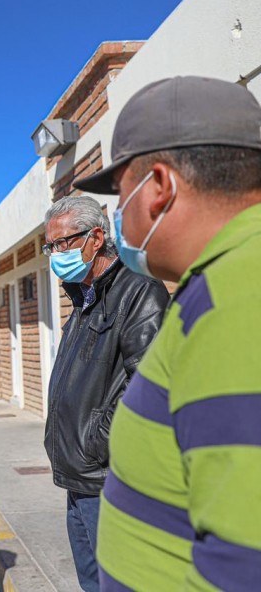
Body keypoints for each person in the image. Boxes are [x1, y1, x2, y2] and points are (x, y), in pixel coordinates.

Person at [74, 75, 261, 591]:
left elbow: (246, 563)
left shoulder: (239, 297)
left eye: (118, 193)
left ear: (158, 187)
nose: (117, 215)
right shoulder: (224, 281)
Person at [42, 195, 169, 591]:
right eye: (51, 246)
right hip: (79, 475)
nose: (56, 253)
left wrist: (98, 443)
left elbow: (149, 387)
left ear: (96, 237)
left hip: (110, 478)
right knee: (92, 582)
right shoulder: (81, 300)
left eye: (64, 242)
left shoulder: (139, 292)